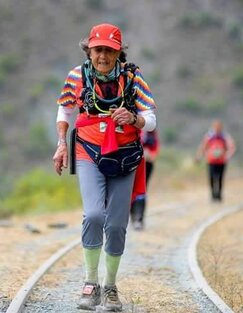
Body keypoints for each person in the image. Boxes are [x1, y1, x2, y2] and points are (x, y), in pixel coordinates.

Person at [52, 23, 156, 312]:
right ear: (90, 50)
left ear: (118, 52)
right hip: (87, 150)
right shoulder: (78, 76)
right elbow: (65, 109)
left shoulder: (132, 77)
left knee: (117, 224)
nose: (103, 56)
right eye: (98, 50)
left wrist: (134, 119)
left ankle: (110, 286)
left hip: (125, 155)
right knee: (95, 214)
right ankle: (89, 283)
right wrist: (62, 143)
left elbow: (151, 118)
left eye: (110, 51)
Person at [195, 119, 235, 202]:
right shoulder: (209, 136)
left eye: (218, 126)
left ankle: (219, 195)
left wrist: (228, 156)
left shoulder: (225, 136)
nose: (217, 128)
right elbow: (203, 147)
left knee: (220, 178)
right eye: (215, 126)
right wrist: (199, 156)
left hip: (221, 161)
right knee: (212, 178)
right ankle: (213, 195)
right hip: (211, 161)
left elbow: (231, 147)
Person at [130, 129, 160, 231]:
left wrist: (151, 155)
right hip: (133, 164)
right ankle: (133, 215)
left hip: (147, 165)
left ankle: (139, 218)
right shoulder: (134, 128)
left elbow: (155, 148)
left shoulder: (152, 133)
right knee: (130, 190)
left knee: (142, 190)